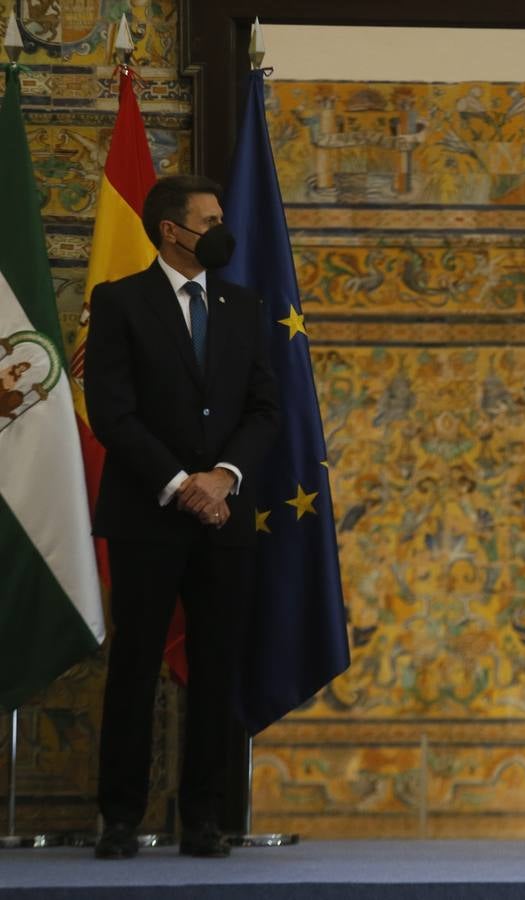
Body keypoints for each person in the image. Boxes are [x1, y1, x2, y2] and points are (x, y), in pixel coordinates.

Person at [84, 174, 279, 859]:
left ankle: (203, 816)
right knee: (135, 665)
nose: (223, 229)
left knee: (216, 665)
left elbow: (263, 408)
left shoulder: (243, 304)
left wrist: (221, 479)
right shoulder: (119, 303)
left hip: (224, 517)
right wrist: (179, 483)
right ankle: (119, 816)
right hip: (147, 514)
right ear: (173, 229)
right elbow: (112, 411)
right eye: (211, 218)